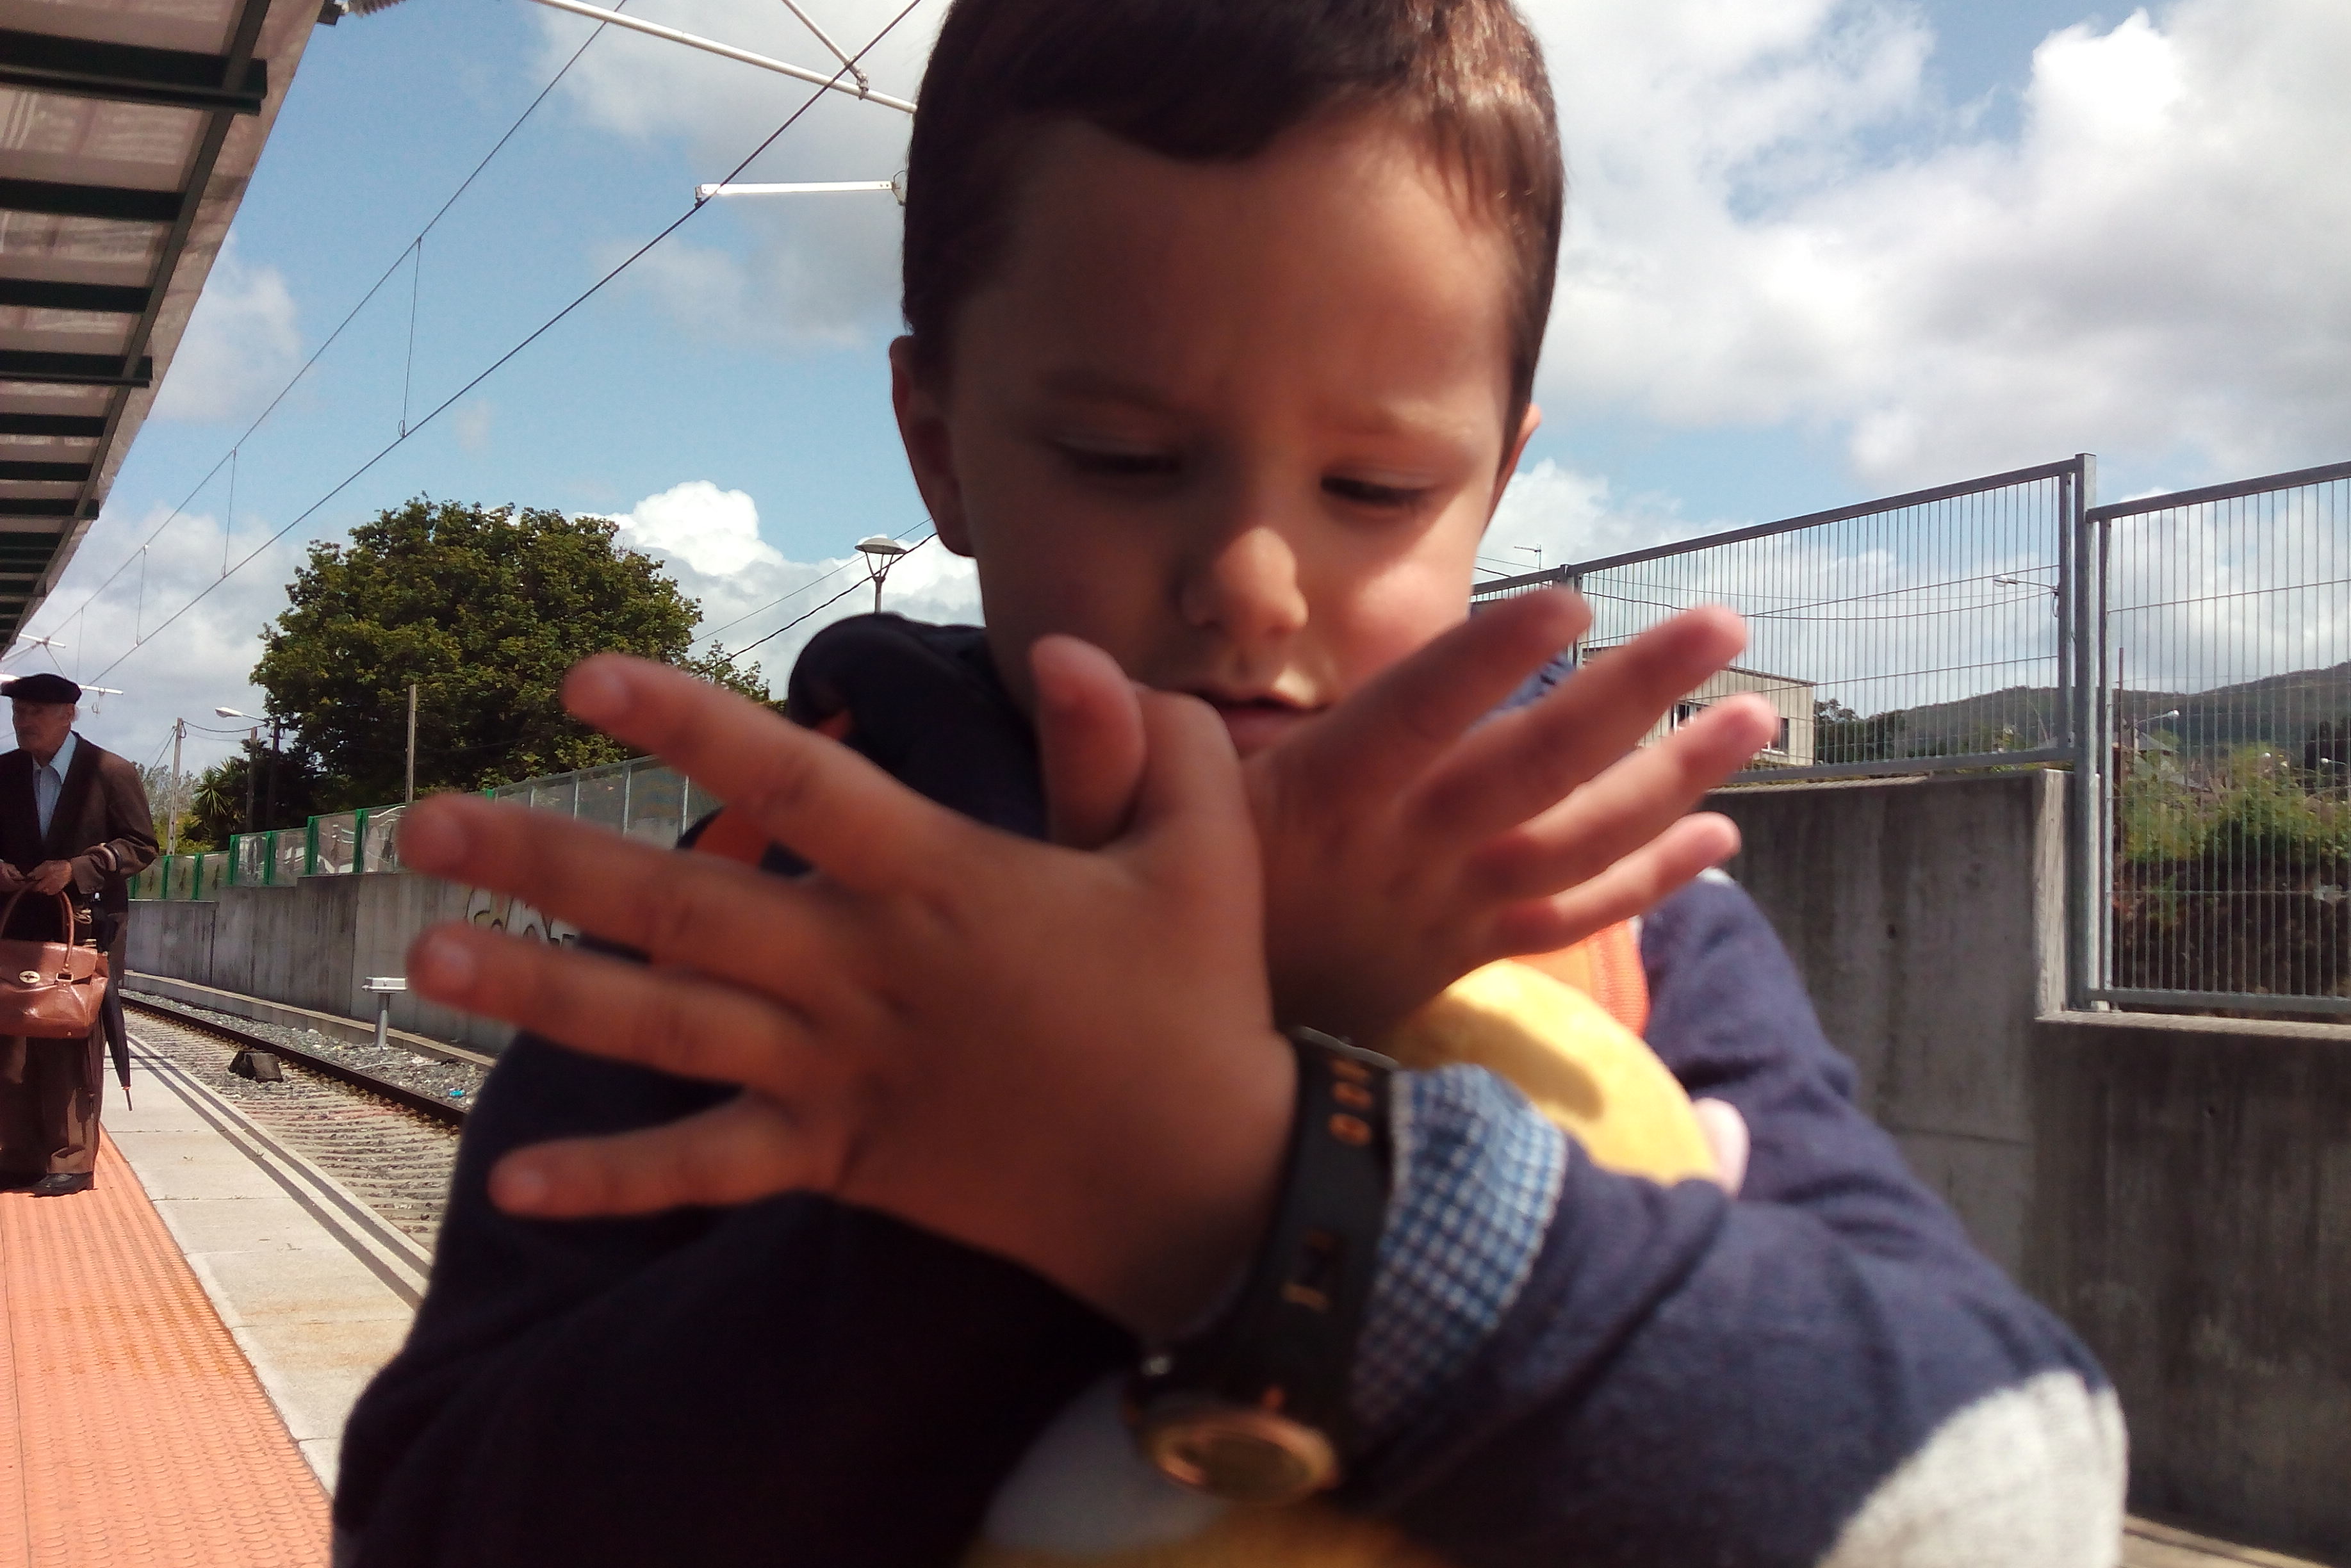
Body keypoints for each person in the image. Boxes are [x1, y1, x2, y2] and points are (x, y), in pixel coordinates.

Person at [336, 2, 2127, 1564]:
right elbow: (439, 1516)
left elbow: (1994, 1483)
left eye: (1373, 491)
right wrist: (1063, 1166)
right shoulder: (760, 915)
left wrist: (1248, 1184)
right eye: (1126, 456)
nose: (1254, 586)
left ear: (1499, 479)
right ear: (938, 449)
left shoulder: (1624, 918)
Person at [0, 671, 157, 1196]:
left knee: (71, 1039)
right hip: (14, 930)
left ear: (70, 715)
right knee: (12, 1042)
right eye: (19, 712)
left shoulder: (110, 772)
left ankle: (70, 1158)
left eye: (35, 712)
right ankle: (17, 1156)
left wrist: (78, 869)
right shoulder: (3, 772)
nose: (24, 722)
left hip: (84, 931)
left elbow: (140, 845)